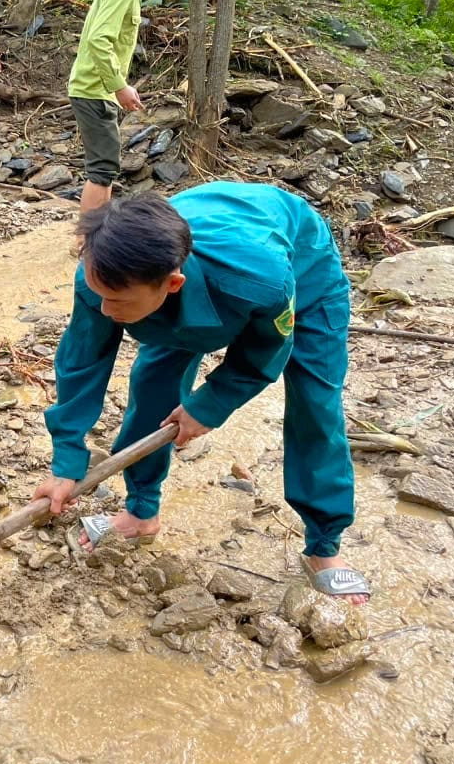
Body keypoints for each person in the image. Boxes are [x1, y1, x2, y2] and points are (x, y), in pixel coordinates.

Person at [32, 185, 370, 604]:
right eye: (100, 296)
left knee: (315, 403)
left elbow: (267, 350)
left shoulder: (260, 278)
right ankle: (141, 512)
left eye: (115, 301)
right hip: (194, 264)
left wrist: (210, 404)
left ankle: (324, 546)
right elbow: (82, 363)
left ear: (171, 284)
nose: (104, 310)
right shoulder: (101, 277)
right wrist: (66, 462)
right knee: (153, 387)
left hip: (302, 267)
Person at [69, 0, 188, 213]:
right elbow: (99, 40)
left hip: (99, 90)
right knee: (102, 168)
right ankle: (88, 243)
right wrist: (119, 86)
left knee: (106, 166)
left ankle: (96, 239)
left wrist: (118, 87)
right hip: (93, 89)